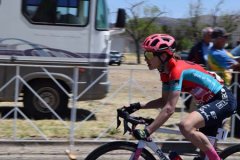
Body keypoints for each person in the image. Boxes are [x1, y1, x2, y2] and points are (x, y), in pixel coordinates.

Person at [123, 33, 237, 160]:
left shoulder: (177, 70)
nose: (145, 58)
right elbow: (164, 101)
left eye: (149, 54)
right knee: (203, 156)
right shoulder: (165, 73)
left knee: (186, 125)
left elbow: (169, 109)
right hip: (209, 103)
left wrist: (148, 130)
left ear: (164, 56)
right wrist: (135, 106)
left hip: (222, 100)